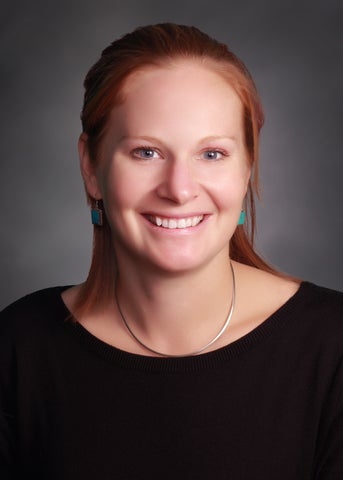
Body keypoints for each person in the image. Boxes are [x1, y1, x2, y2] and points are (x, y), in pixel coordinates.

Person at [1, 23, 342, 479]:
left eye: (213, 154)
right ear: (90, 166)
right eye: (146, 152)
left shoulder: (332, 345)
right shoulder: (18, 348)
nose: (179, 190)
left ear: (247, 169)